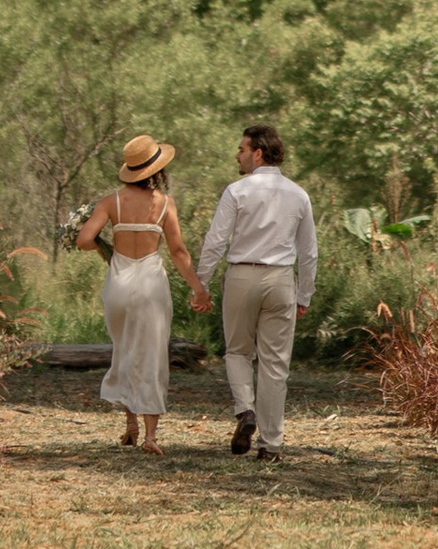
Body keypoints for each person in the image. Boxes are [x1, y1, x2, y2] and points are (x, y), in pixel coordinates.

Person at [194, 121, 317, 458]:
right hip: (280, 280)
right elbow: (309, 252)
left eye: (242, 149)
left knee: (237, 351)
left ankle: (245, 410)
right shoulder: (298, 194)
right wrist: (304, 295)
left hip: (241, 277)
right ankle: (271, 445)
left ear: (258, 153)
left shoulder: (237, 191)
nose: (238, 155)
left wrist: (201, 284)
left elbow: (215, 241)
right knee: (275, 364)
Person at [74, 136, 205, 453]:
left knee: (126, 349)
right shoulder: (164, 204)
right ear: (156, 170)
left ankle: (130, 423)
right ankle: (150, 436)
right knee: (152, 355)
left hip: (119, 284)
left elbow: (83, 239)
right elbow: (178, 250)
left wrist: (105, 248)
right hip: (150, 284)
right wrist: (198, 287)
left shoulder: (111, 202)